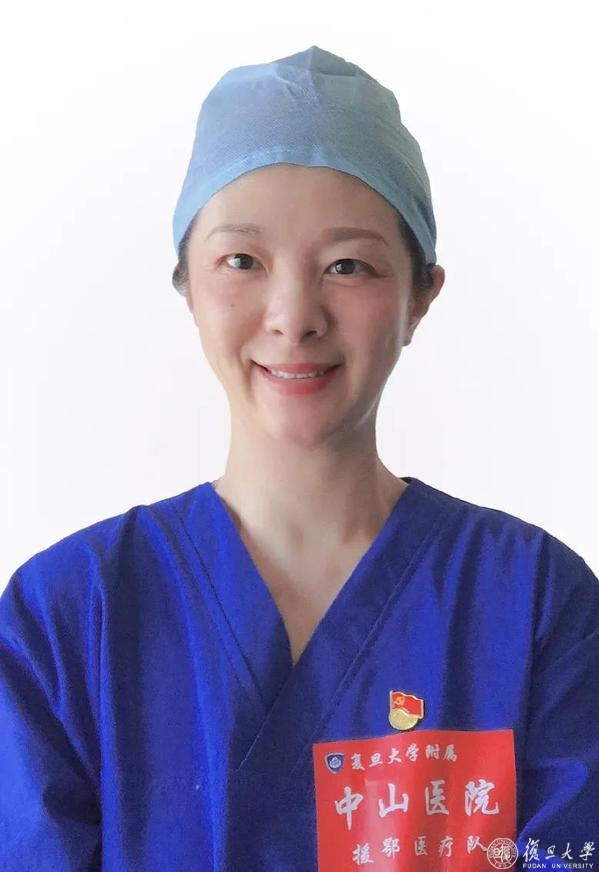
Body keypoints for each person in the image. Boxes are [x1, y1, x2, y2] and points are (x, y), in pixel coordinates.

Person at [0, 45, 597, 872]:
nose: (293, 315)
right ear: (187, 285)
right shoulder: (70, 614)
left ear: (420, 296)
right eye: (241, 261)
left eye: (347, 266)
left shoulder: (530, 602)